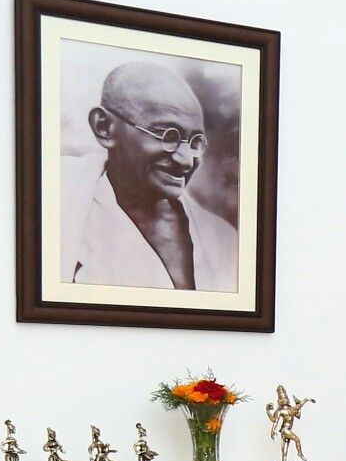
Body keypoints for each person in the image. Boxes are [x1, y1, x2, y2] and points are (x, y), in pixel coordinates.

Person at [66, 59, 241, 292]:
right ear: (104, 127)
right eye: (168, 136)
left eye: (196, 141)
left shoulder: (223, 240)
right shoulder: (57, 197)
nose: (185, 160)